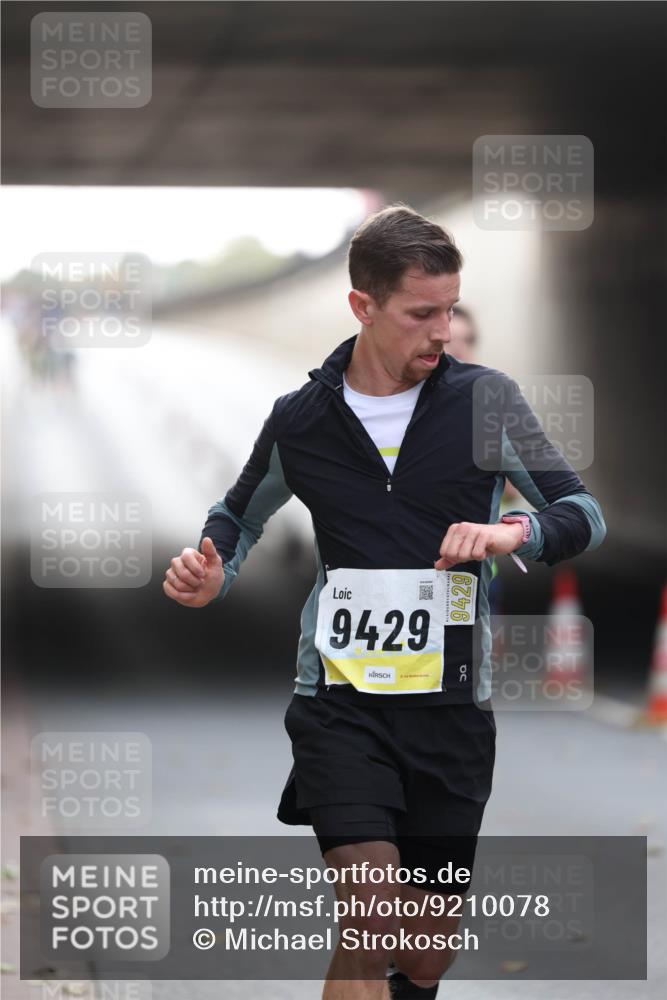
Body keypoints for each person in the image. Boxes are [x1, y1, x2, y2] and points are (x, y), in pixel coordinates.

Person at [163, 204, 606, 999]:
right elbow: (236, 518)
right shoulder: (300, 421)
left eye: (448, 309)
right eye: (420, 313)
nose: (442, 331)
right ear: (362, 307)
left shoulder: (485, 404)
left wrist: (512, 533)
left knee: (422, 958)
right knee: (370, 923)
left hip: (450, 714)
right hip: (340, 705)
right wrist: (211, 573)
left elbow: (581, 514)